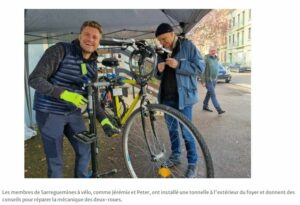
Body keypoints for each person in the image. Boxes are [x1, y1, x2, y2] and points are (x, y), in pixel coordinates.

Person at [28, 20, 120, 178]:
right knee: (56, 161)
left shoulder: (92, 67)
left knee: (85, 150)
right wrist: (64, 94)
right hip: (49, 112)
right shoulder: (60, 50)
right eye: (87, 35)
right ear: (79, 35)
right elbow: (35, 79)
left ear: (98, 42)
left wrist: (105, 121)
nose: (90, 39)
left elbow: (94, 99)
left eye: (95, 37)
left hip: (72, 113)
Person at [155, 23, 205, 178]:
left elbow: (200, 68)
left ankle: (192, 163)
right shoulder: (161, 50)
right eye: (160, 40)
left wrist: (179, 64)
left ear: (171, 33)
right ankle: (175, 156)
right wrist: (158, 69)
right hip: (167, 99)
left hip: (184, 99)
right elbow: (156, 75)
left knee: (187, 132)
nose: (162, 43)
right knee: (172, 131)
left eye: (164, 39)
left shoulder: (188, 46)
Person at [201, 47, 225, 115]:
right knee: (213, 94)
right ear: (209, 51)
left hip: (214, 79)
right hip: (208, 80)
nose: (213, 52)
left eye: (214, 50)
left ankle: (205, 105)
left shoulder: (216, 58)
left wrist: (216, 78)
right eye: (211, 51)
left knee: (209, 93)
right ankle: (219, 109)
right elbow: (202, 70)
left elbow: (215, 68)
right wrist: (203, 81)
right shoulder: (206, 59)